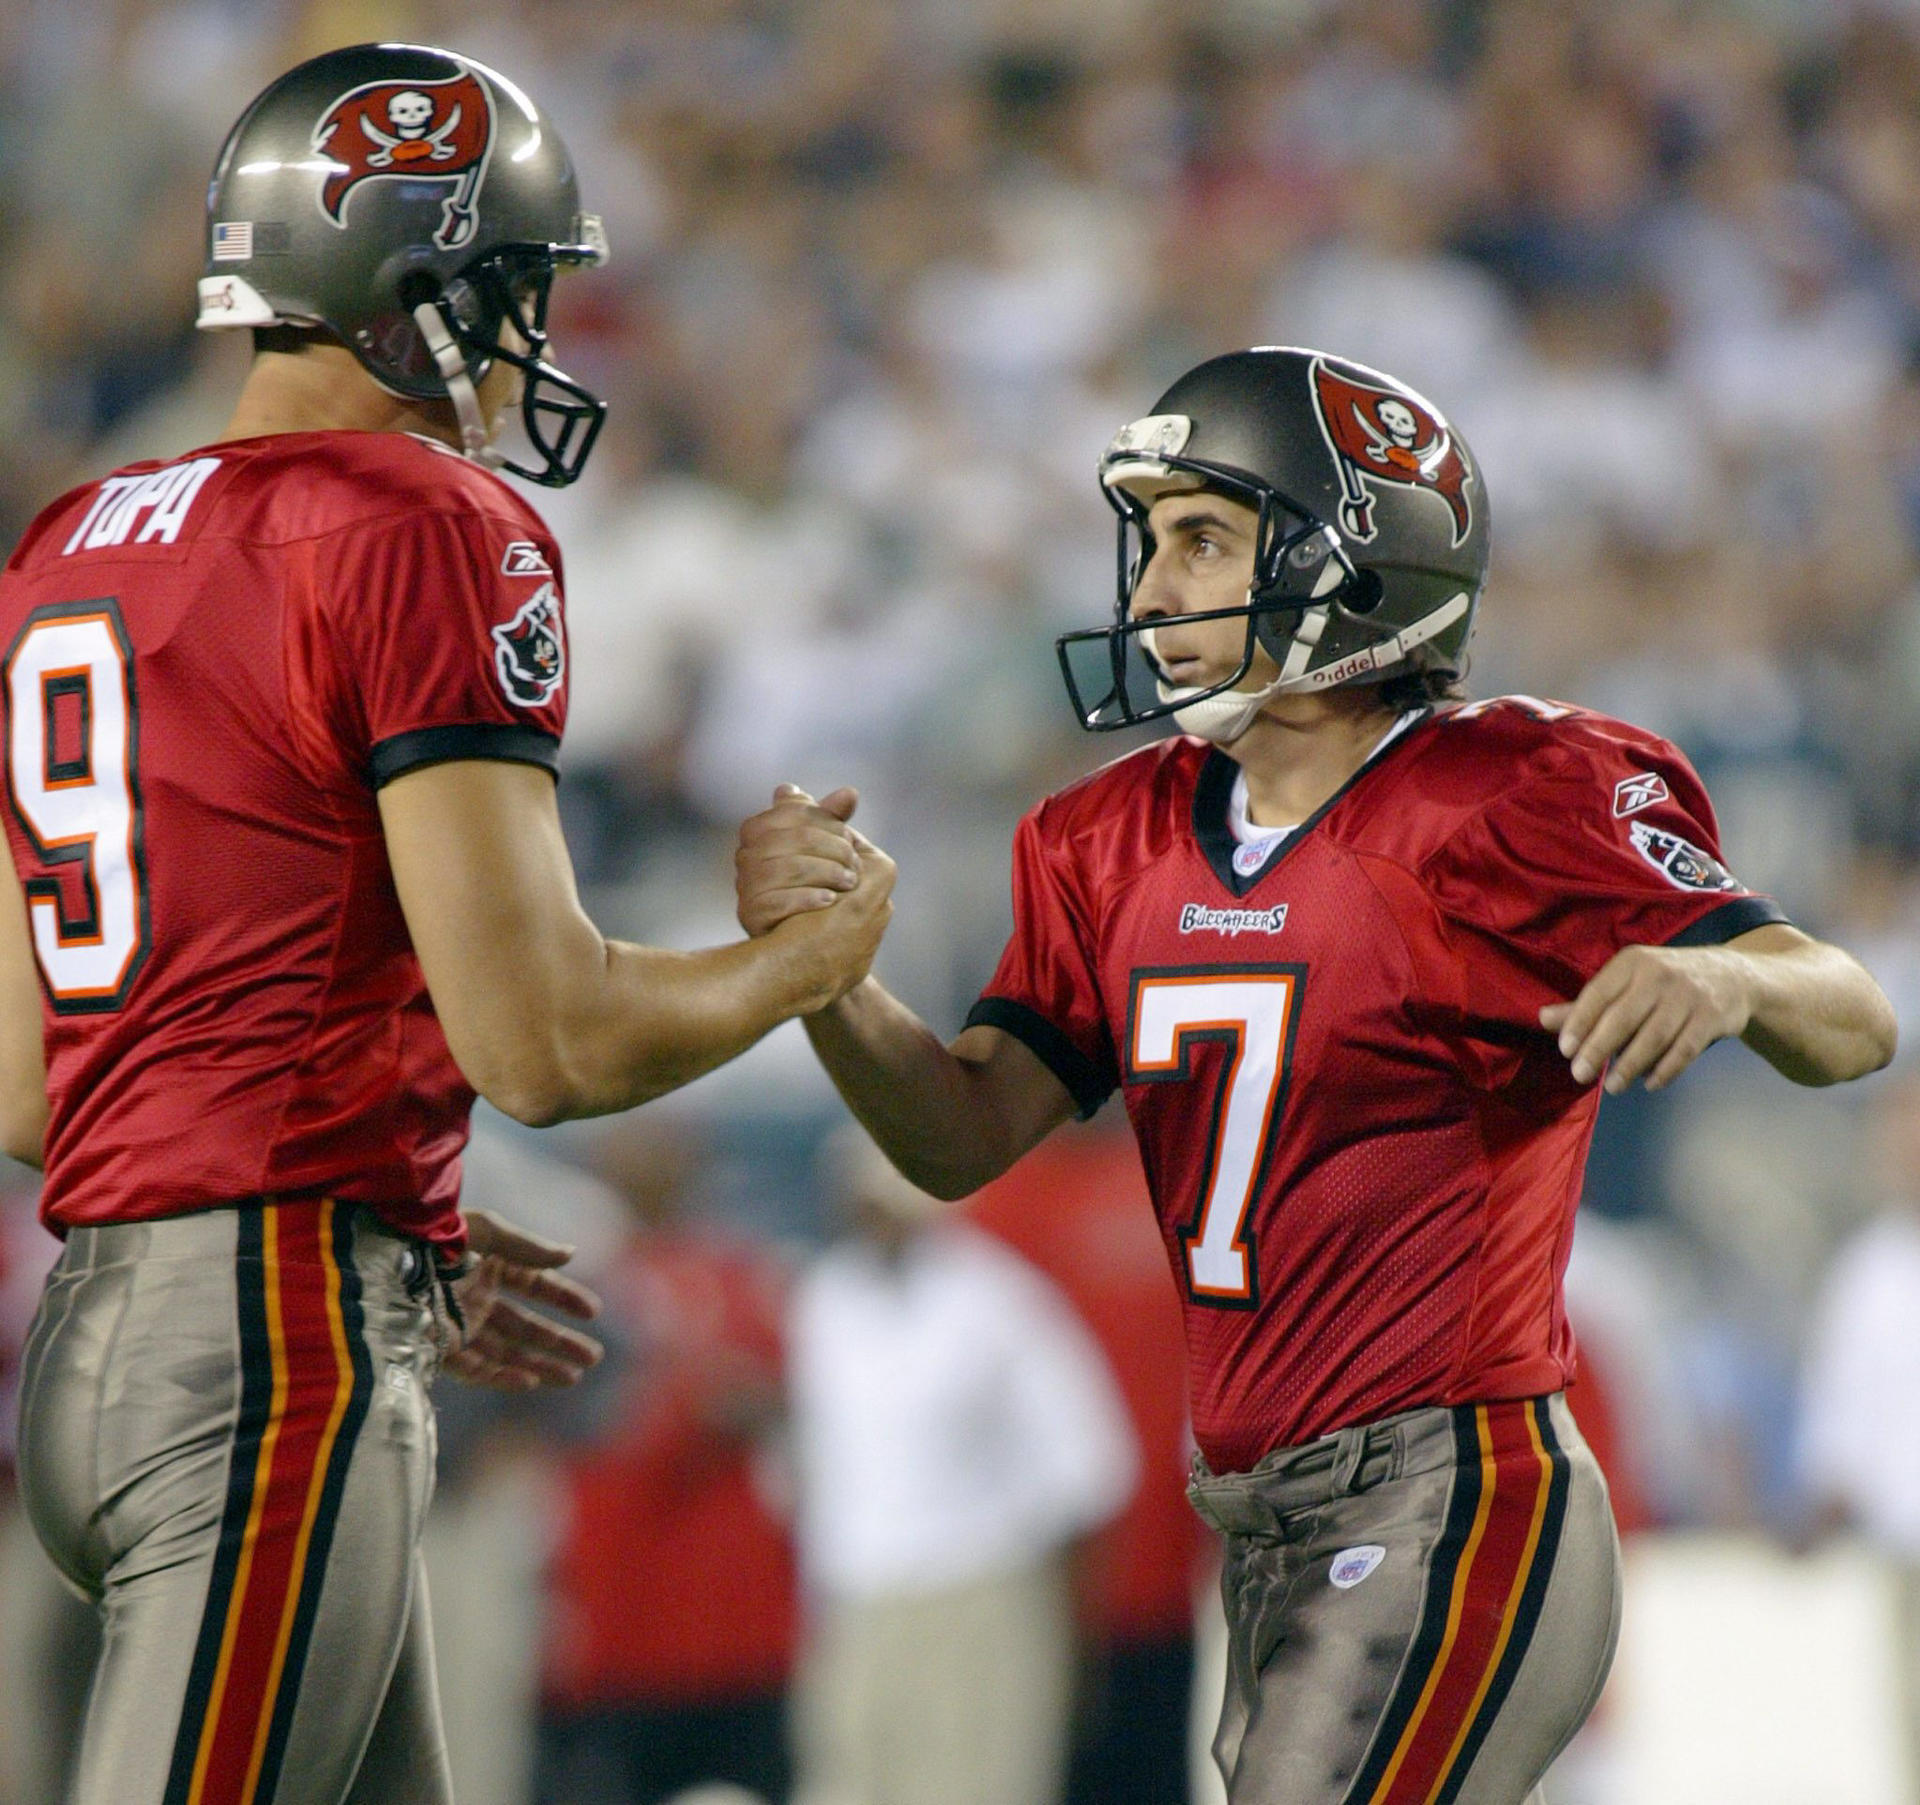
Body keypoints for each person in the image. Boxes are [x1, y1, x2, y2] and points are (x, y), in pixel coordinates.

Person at [734, 345, 1897, 1805]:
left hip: (1454, 1490)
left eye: (1203, 538)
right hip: (1265, 1521)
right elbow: (961, 1135)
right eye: (1149, 542)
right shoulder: (1106, 838)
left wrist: (1724, 971)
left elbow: (1849, 1012)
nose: (1152, 589)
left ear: (1352, 561)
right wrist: (825, 981)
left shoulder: (1511, 792)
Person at [0, 43, 890, 1805]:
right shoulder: (413, 518)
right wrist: (809, 962)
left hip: (104, 1349)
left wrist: (372, 1212)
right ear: (407, 290)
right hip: (265, 1363)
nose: (528, 338)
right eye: (510, 289)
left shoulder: (73, 538)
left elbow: (38, 1090)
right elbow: (543, 1044)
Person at [785, 1128, 1137, 1805]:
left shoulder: (995, 1300)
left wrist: (1077, 1644)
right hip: (858, 1608)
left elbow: (1085, 1471)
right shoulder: (823, 1299)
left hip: (977, 1599)